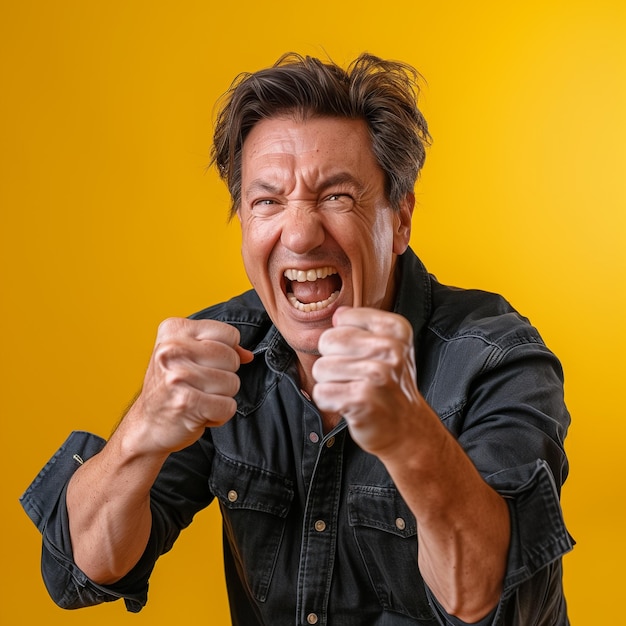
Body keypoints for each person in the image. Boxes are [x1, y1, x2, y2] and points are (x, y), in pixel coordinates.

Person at [20, 52, 573, 626]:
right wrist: (141, 433)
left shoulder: (497, 357)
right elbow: (82, 570)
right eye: (268, 201)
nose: (301, 234)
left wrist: (410, 436)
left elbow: (490, 599)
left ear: (400, 218)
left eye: (336, 196)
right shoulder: (222, 353)